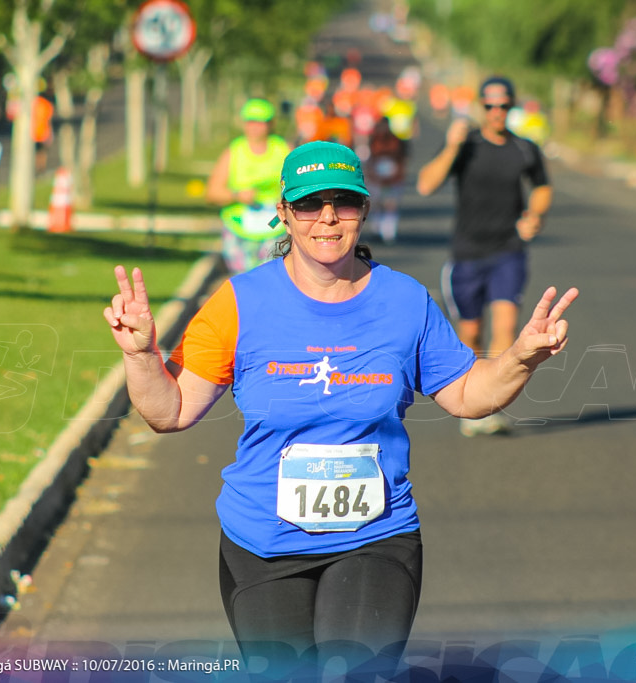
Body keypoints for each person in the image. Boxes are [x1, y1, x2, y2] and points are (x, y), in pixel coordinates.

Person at [105, 141, 577, 677]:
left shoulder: (405, 302)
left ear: (364, 210)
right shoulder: (239, 302)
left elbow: (470, 394)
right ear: (283, 213)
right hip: (263, 540)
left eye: (344, 202)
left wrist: (521, 357)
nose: (327, 218)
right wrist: (141, 354)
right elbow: (171, 411)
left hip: (376, 535)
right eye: (309, 204)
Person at [417, 75, 553, 437]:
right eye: (490, 106)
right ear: (481, 107)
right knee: (470, 334)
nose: (496, 113)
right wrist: (450, 146)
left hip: (508, 250)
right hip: (467, 253)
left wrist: (534, 216)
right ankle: (472, 399)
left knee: (506, 327)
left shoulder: (524, 149)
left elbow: (541, 186)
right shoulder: (466, 145)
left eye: (503, 106)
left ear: (511, 108)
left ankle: (491, 408)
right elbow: (426, 184)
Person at [206, 98, 291, 274]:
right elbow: (212, 192)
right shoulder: (235, 151)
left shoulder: (282, 150)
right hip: (238, 228)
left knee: (269, 278)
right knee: (244, 281)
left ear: (271, 124)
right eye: (251, 122)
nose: (255, 127)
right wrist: (237, 196)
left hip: (273, 228)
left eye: (261, 122)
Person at [364, 116, 407, 243]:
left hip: (394, 176)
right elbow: (371, 158)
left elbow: (402, 159)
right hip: (376, 176)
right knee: (375, 203)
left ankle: (389, 232)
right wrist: (371, 175)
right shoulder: (374, 139)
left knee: (390, 204)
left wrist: (398, 176)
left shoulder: (397, 141)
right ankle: (376, 229)